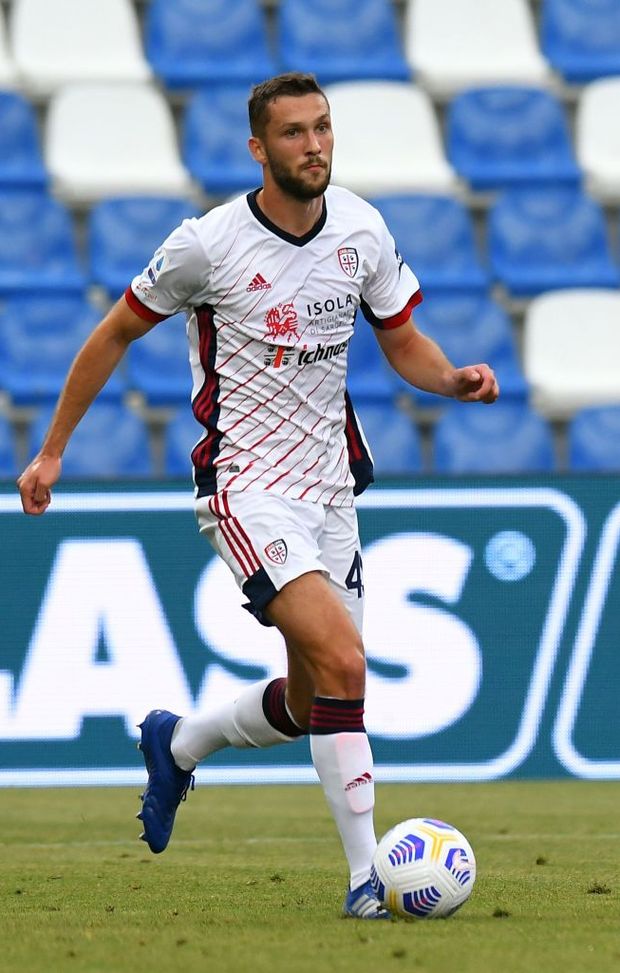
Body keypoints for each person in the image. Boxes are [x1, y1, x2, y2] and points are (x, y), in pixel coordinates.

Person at [17, 72, 499, 919]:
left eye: (322, 128)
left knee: (317, 698)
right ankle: (364, 882)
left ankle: (183, 740)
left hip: (331, 489)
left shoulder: (361, 228)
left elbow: (405, 342)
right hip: (246, 488)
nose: (313, 145)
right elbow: (114, 332)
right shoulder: (208, 245)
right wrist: (52, 452)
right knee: (349, 664)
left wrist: (452, 380)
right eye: (292, 133)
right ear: (258, 148)